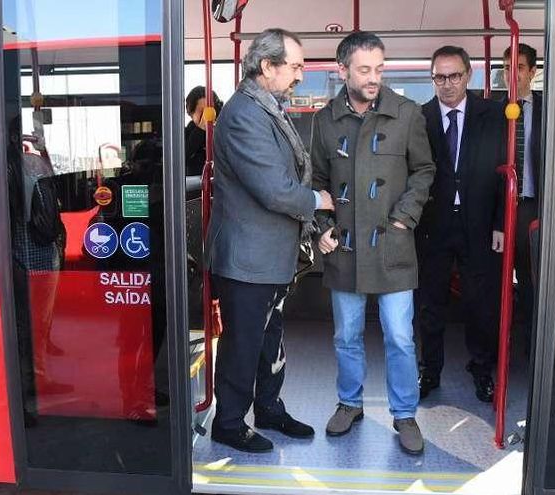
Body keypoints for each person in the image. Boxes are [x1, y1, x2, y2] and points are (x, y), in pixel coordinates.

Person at [206, 28, 335, 453]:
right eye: (295, 66)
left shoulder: (267, 107)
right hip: (247, 259)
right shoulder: (244, 114)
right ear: (267, 67)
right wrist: (319, 199)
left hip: (269, 258)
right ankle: (229, 423)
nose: (301, 75)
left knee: (269, 341)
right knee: (243, 344)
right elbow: (275, 190)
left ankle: (268, 408)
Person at [311, 31, 436, 455]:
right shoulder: (325, 119)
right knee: (346, 335)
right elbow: (317, 182)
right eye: (364, 70)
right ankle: (350, 403)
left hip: (392, 246)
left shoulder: (407, 113)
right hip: (344, 248)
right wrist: (322, 225)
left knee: (400, 337)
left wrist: (405, 217)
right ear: (342, 70)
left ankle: (404, 415)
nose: (373, 78)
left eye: (379, 69)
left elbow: (424, 170)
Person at [414, 45, 506, 404]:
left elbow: (503, 175)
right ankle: (430, 371)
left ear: (469, 75)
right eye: (440, 77)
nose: (448, 84)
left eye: (454, 76)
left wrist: (500, 223)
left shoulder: (493, 115)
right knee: (429, 303)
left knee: (480, 302)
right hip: (432, 225)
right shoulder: (420, 118)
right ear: (432, 78)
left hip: (480, 224)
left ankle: (482, 369)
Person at [502, 42, 543, 348]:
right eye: (506, 68)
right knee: (495, 279)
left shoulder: (547, 109)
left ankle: (530, 346)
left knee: (529, 281)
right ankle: (496, 344)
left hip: (531, 206)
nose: (511, 74)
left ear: (532, 71)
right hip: (497, 210)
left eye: (517, 67)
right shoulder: (491, 109)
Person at [184, 86, 224, 200]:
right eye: (201, 112)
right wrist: (202, 127)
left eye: (210, 111)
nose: (207, 116)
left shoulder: (225, 130)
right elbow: (183, 156)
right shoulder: (187, 134)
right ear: (191, 114)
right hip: (194, 196)